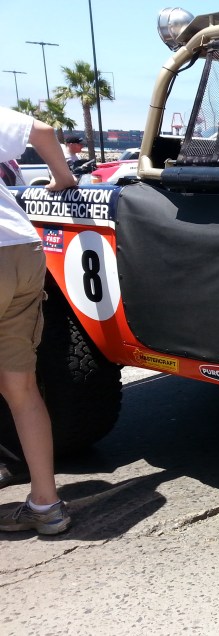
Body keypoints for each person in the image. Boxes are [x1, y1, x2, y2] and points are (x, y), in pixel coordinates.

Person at [0, 107, 76, 534]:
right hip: (20, 246)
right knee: (21, 387)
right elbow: (42, 130)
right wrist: (63, 179)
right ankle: (46, 506)